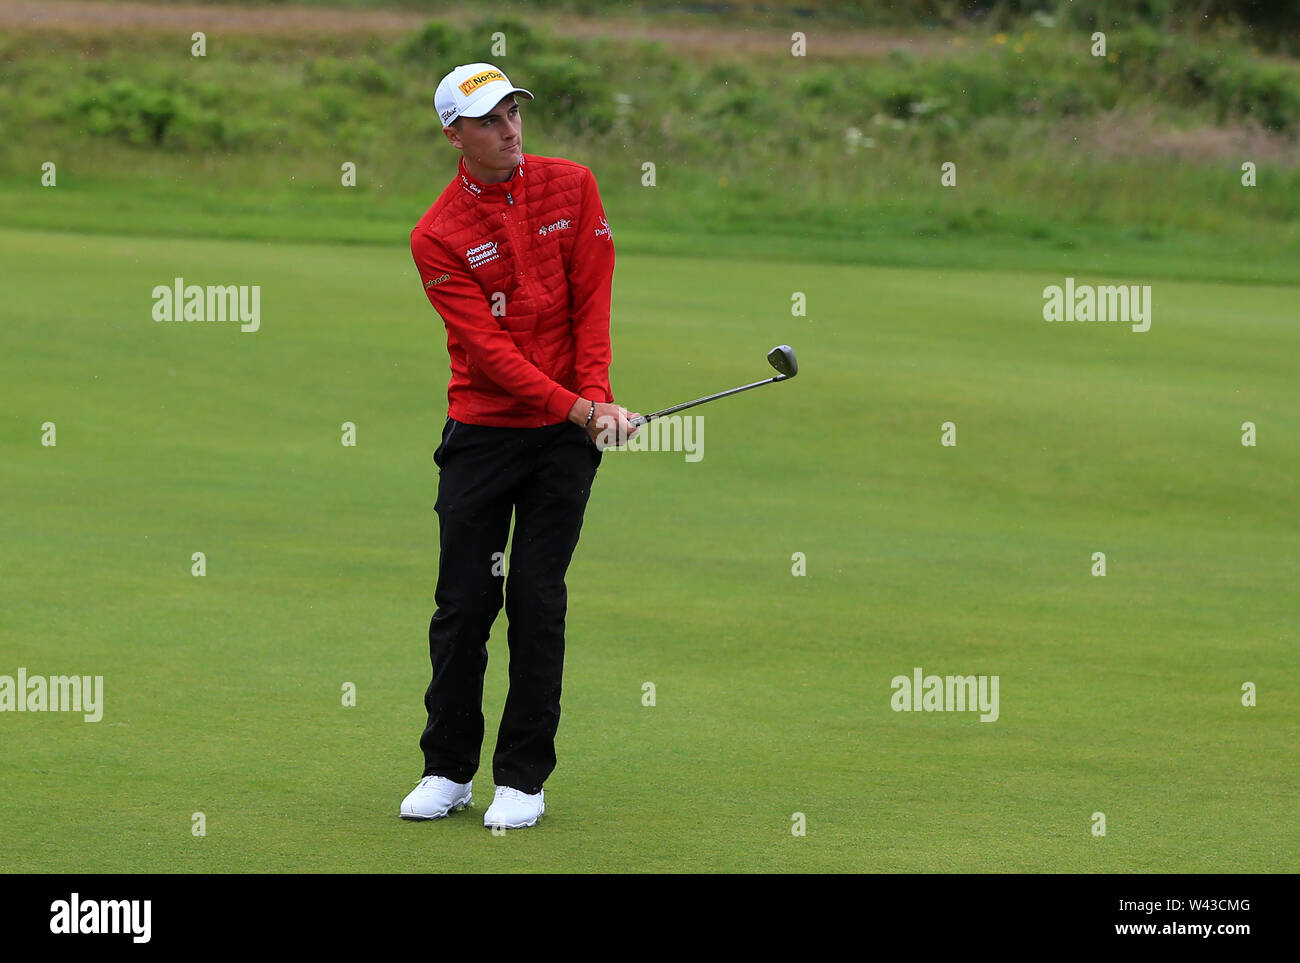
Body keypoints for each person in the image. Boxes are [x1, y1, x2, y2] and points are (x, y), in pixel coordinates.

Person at [399, 63, 640, 829]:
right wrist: (578, 406)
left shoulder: (573, 186)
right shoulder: (437, 234)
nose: (509, 130)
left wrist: (594, 395)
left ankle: (523, 779)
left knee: (537, 599)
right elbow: (491, 353)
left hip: (564, 441)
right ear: (454, 134)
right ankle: (447, 769)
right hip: (484, 433)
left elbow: (590, 300)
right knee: (465, 603)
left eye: (513, 112)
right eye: (489, 120)